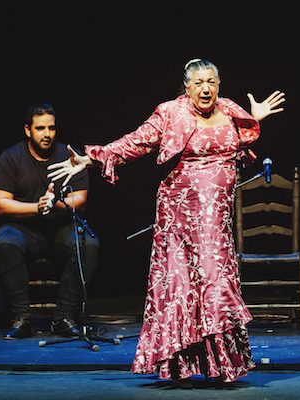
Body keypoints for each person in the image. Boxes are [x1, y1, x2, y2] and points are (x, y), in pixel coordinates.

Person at [47, 59, 286, 384]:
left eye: (212, 81)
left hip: (216, 218)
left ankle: (220, 364)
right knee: (181, 284)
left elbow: (239, 141)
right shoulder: (171, 112)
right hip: (180, 215)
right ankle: (180, 366)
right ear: (187, 87)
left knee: (214, 278)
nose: (206, 88)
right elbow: (136, 141)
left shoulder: (229, 109)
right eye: (199, 82)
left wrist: (253, 117)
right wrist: (92, 158)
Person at [0, 102, 100, 339]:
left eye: (51, 128)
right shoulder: (11, 157)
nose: (47, 134)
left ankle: (63, 318)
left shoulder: (68, 155)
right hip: (25, 229)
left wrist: (55, 203)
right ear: (28, 130)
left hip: (61, 228)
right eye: (40, 128)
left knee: (88, 243)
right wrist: (37, 207)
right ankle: (22, 318)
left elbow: (80, 199)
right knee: (6, 240)